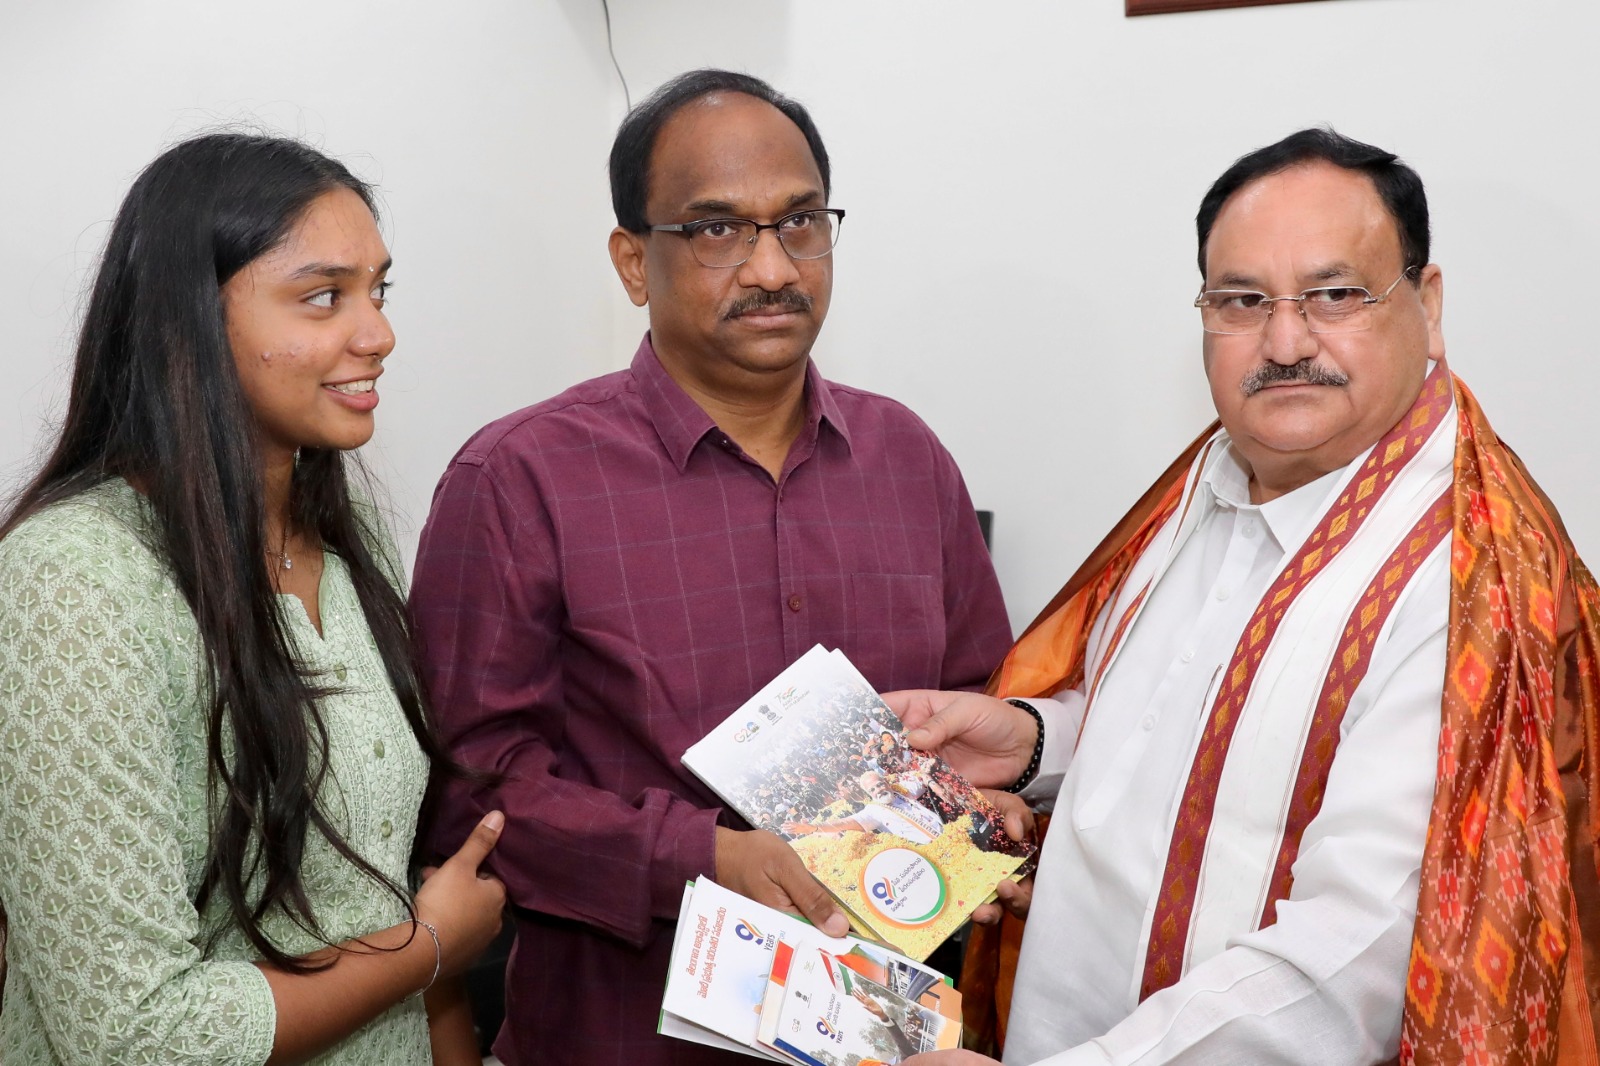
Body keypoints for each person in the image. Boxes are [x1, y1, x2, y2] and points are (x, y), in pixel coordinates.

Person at [891, 129, 1600, 1065]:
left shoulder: (1469, 585)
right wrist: (1033, 742)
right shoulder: (1210, 482)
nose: (1285, 341)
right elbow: (1182, 748)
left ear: (1427, 307)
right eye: (1241, 300)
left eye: (1336, 295)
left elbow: (1349, 964)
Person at [411, 69, 1013, 1065]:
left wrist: (990, 816)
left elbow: (982, 710)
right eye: (717, 230)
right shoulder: (519, 478)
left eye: (801, 222)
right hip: (618, 1038)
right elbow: (467, 792)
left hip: (881, 1038)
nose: (773, 267)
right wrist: (700, 856)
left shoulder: (908, 459)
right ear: (631, 260)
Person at [0, 132, 507, 1065]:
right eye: (324, 297)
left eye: (378, 290)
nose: (378, 334)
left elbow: (393, 883)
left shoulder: (352, 548)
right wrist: (429, 948)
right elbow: (131, 1036)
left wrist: (431, 955)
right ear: (190, 322)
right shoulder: (76, 577)